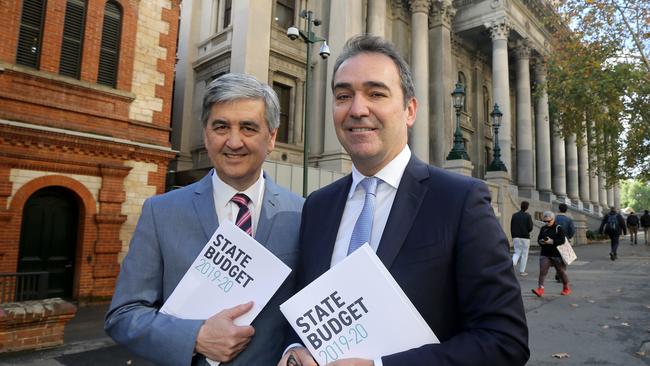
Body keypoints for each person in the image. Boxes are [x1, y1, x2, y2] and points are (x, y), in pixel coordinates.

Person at [278, 35, 529, 366]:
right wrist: (293, 351)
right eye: (343, 96)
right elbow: (304, 312)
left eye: (376, 94)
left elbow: (505, 341)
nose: (357, 109)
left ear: (409, 110)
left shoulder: (460, 201)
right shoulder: (317, 206)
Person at [105, 73, 304, 366]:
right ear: (206, 133)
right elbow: (124, 315)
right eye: (221, 127)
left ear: (271, 137)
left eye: (248, 128)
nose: (233, 142)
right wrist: (195, 338)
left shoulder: (303, 214)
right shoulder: (161, 213)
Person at [532, 211, 571, 297]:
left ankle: (566, 287)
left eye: (548, 221)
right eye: (545, 221)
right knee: (542, 271)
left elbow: (562, 240)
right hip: (545, 253)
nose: (546, 223)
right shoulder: (543, 228)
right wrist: (541, 242)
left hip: (557, 254)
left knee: (561, 272)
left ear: (553, 220)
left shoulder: (559, 228)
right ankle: (540, 289)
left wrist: (552, 241)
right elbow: (539, 239)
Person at [554, 203, 576, 282]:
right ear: (566, 210)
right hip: (564, 240)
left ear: (559, 209)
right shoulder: (568, 219)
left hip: (555, 241)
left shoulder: (554, 218)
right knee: (564, 259)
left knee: (557, 258)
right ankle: (560, 274)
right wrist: (568, 237)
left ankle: (558, 272)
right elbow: (572, 230)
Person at [511, 201, 533, 276]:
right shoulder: (528, 216)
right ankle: (522, 271)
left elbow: (511, 226)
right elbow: (530, 227)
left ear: (520, 206)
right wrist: (526, 231)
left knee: (517, 252)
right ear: (527, 207)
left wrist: (513, 235)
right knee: (524, 254)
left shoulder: (514, 215)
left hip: (516, 236)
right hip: (525, 237)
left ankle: (511, 265)